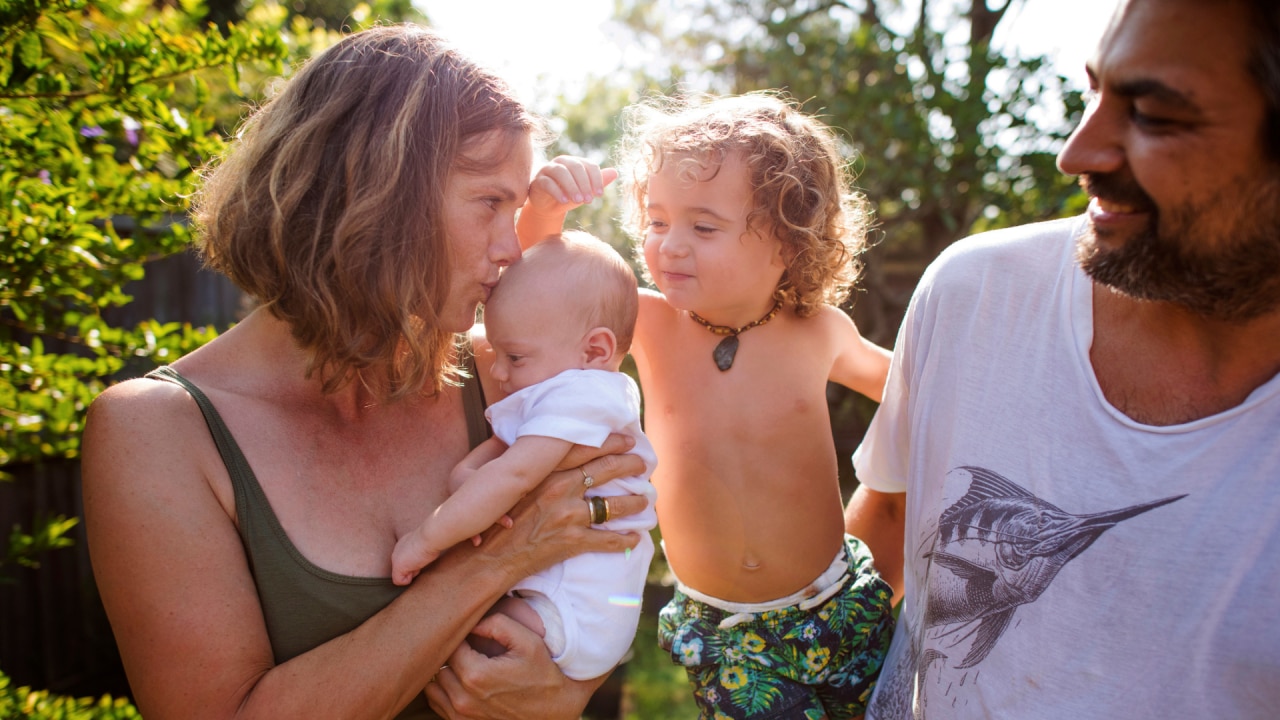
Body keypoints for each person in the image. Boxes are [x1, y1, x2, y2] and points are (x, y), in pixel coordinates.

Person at [79, 25, 650, 720]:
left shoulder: (505, 379)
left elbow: (611, 559)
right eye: (490, 204)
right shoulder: (158, 431)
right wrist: (491, 562)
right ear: (379, 196)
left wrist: (568, 693)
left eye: (519, 209)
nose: (509, 249)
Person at [844, 0, 1280, 717]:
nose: (1077, 153)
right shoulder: (975, 291)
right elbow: (886, 527)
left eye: (1155, 116)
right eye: (1094, 91)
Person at [519, 93, 897, 720]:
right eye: (657, 220)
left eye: (703, 226)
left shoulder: (819, 332)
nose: (669, 245)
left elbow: (917, 389)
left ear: (788, 242)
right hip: (726, 635)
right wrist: (543, 212)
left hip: (835, 607)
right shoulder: (646, 320)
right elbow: (540, 278)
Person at [391, 231, 659, 681]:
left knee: (450, 634)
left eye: (514, 356)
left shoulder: (584, 394)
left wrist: (427, 539)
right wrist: (467, 478)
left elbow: (514, 474)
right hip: (559, 597)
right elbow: (500, 455)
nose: (498, 371)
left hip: (575, 608)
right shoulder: (557, 386)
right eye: (497, 351)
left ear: (595, 349)